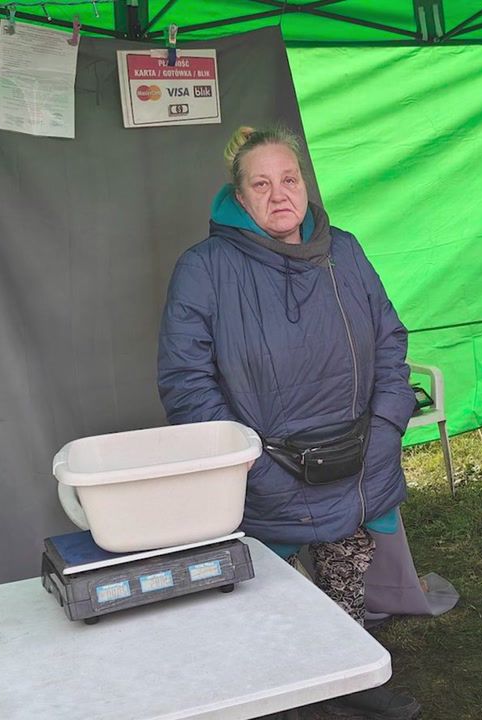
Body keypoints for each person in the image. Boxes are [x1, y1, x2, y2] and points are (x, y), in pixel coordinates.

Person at [157, 125, 421, 720]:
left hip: (356, 456)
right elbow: (186, 380)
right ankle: (284, 694)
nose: (280, 195)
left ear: (305, 184)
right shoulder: (205, 268)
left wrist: (386, 428)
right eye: (262, 183)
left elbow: (389, 342)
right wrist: (243, 459)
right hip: (263, 466)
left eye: (290, 179)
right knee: (265, 595)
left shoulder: (345, 250)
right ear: (240, 198)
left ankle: (351, 678)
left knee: (346, 573)